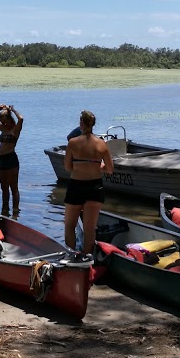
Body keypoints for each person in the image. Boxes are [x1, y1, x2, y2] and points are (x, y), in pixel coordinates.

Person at [63, 109, 113, 255]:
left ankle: (72, 256)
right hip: (95, 187)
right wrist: (97, 165)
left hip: (76, 186)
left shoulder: (72, 143)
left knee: (70, 226)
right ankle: (88, 259)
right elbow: (109, 169)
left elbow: (67, 167)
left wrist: (81, 165)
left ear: (81, 123)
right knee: (90, 229)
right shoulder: (102, 144)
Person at [0, 104, 24, 214]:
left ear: (9, 118)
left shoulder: (15, 130)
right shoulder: (3, 128)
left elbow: (21, 118)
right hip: (1, 160)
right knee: (4, 188)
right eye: (2, 121)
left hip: (11, 158)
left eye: (4, 120)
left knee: (14, 187)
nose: (3, 123)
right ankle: (5, 210)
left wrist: (12, 109)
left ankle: (16, 210)